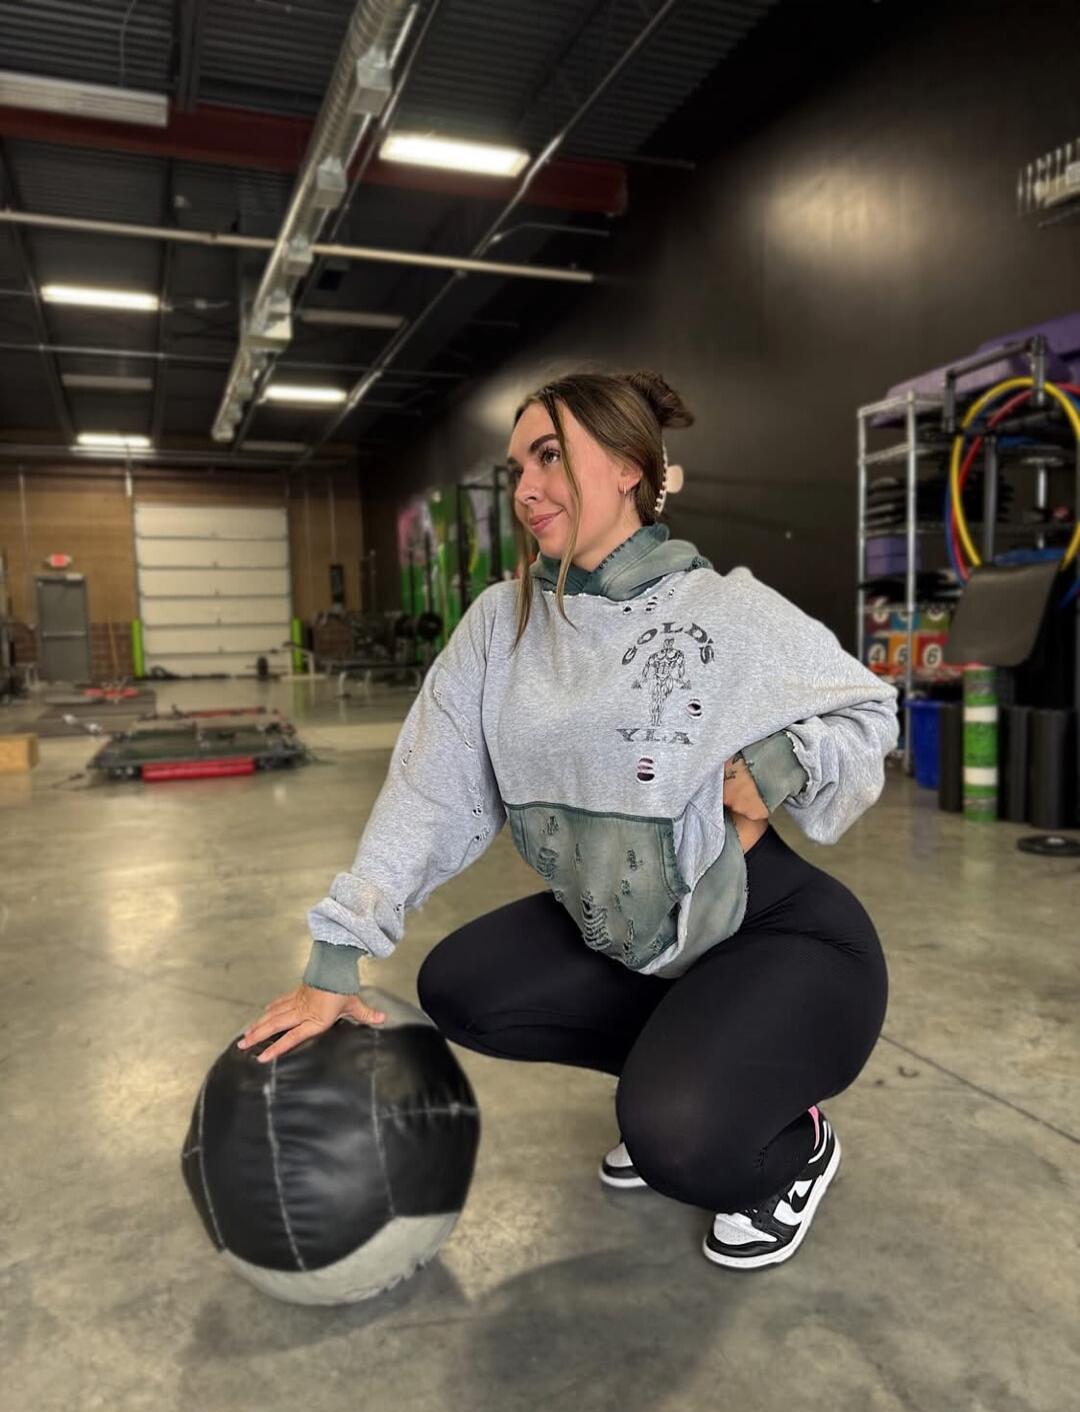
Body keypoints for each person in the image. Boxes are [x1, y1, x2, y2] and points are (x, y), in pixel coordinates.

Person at [238, 369, 898, 1271]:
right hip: (634, 941)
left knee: (683, 1144)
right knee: (464, 986)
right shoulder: (500, 626)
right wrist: (335, 954)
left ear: (628, 467)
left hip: (777, 934)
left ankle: (792, 1146)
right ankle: (687, 1070)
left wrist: (781, 765)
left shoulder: (724, 610)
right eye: (516, 467)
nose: (526, 490)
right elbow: (429, 790)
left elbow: (870, 712)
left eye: (550, 457)